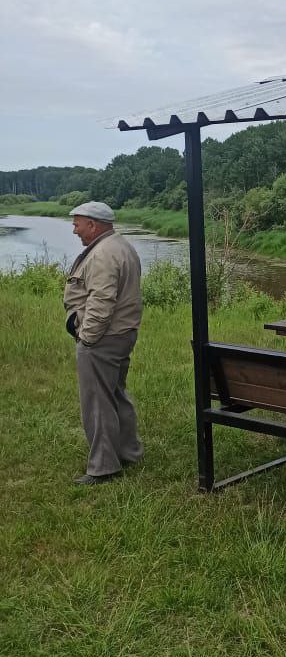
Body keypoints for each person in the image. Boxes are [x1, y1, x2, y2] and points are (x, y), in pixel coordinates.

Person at [63, 201, 144, 486]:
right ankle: (129, 451)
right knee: (115, 393)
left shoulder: (104, 254)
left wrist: (87, 337)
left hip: (104, 339)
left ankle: (103, 467)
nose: (74, 229)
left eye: (77, 223)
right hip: (122, 334)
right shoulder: (121, 246)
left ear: (93, 225)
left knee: (97, 401)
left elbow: (102, 300)